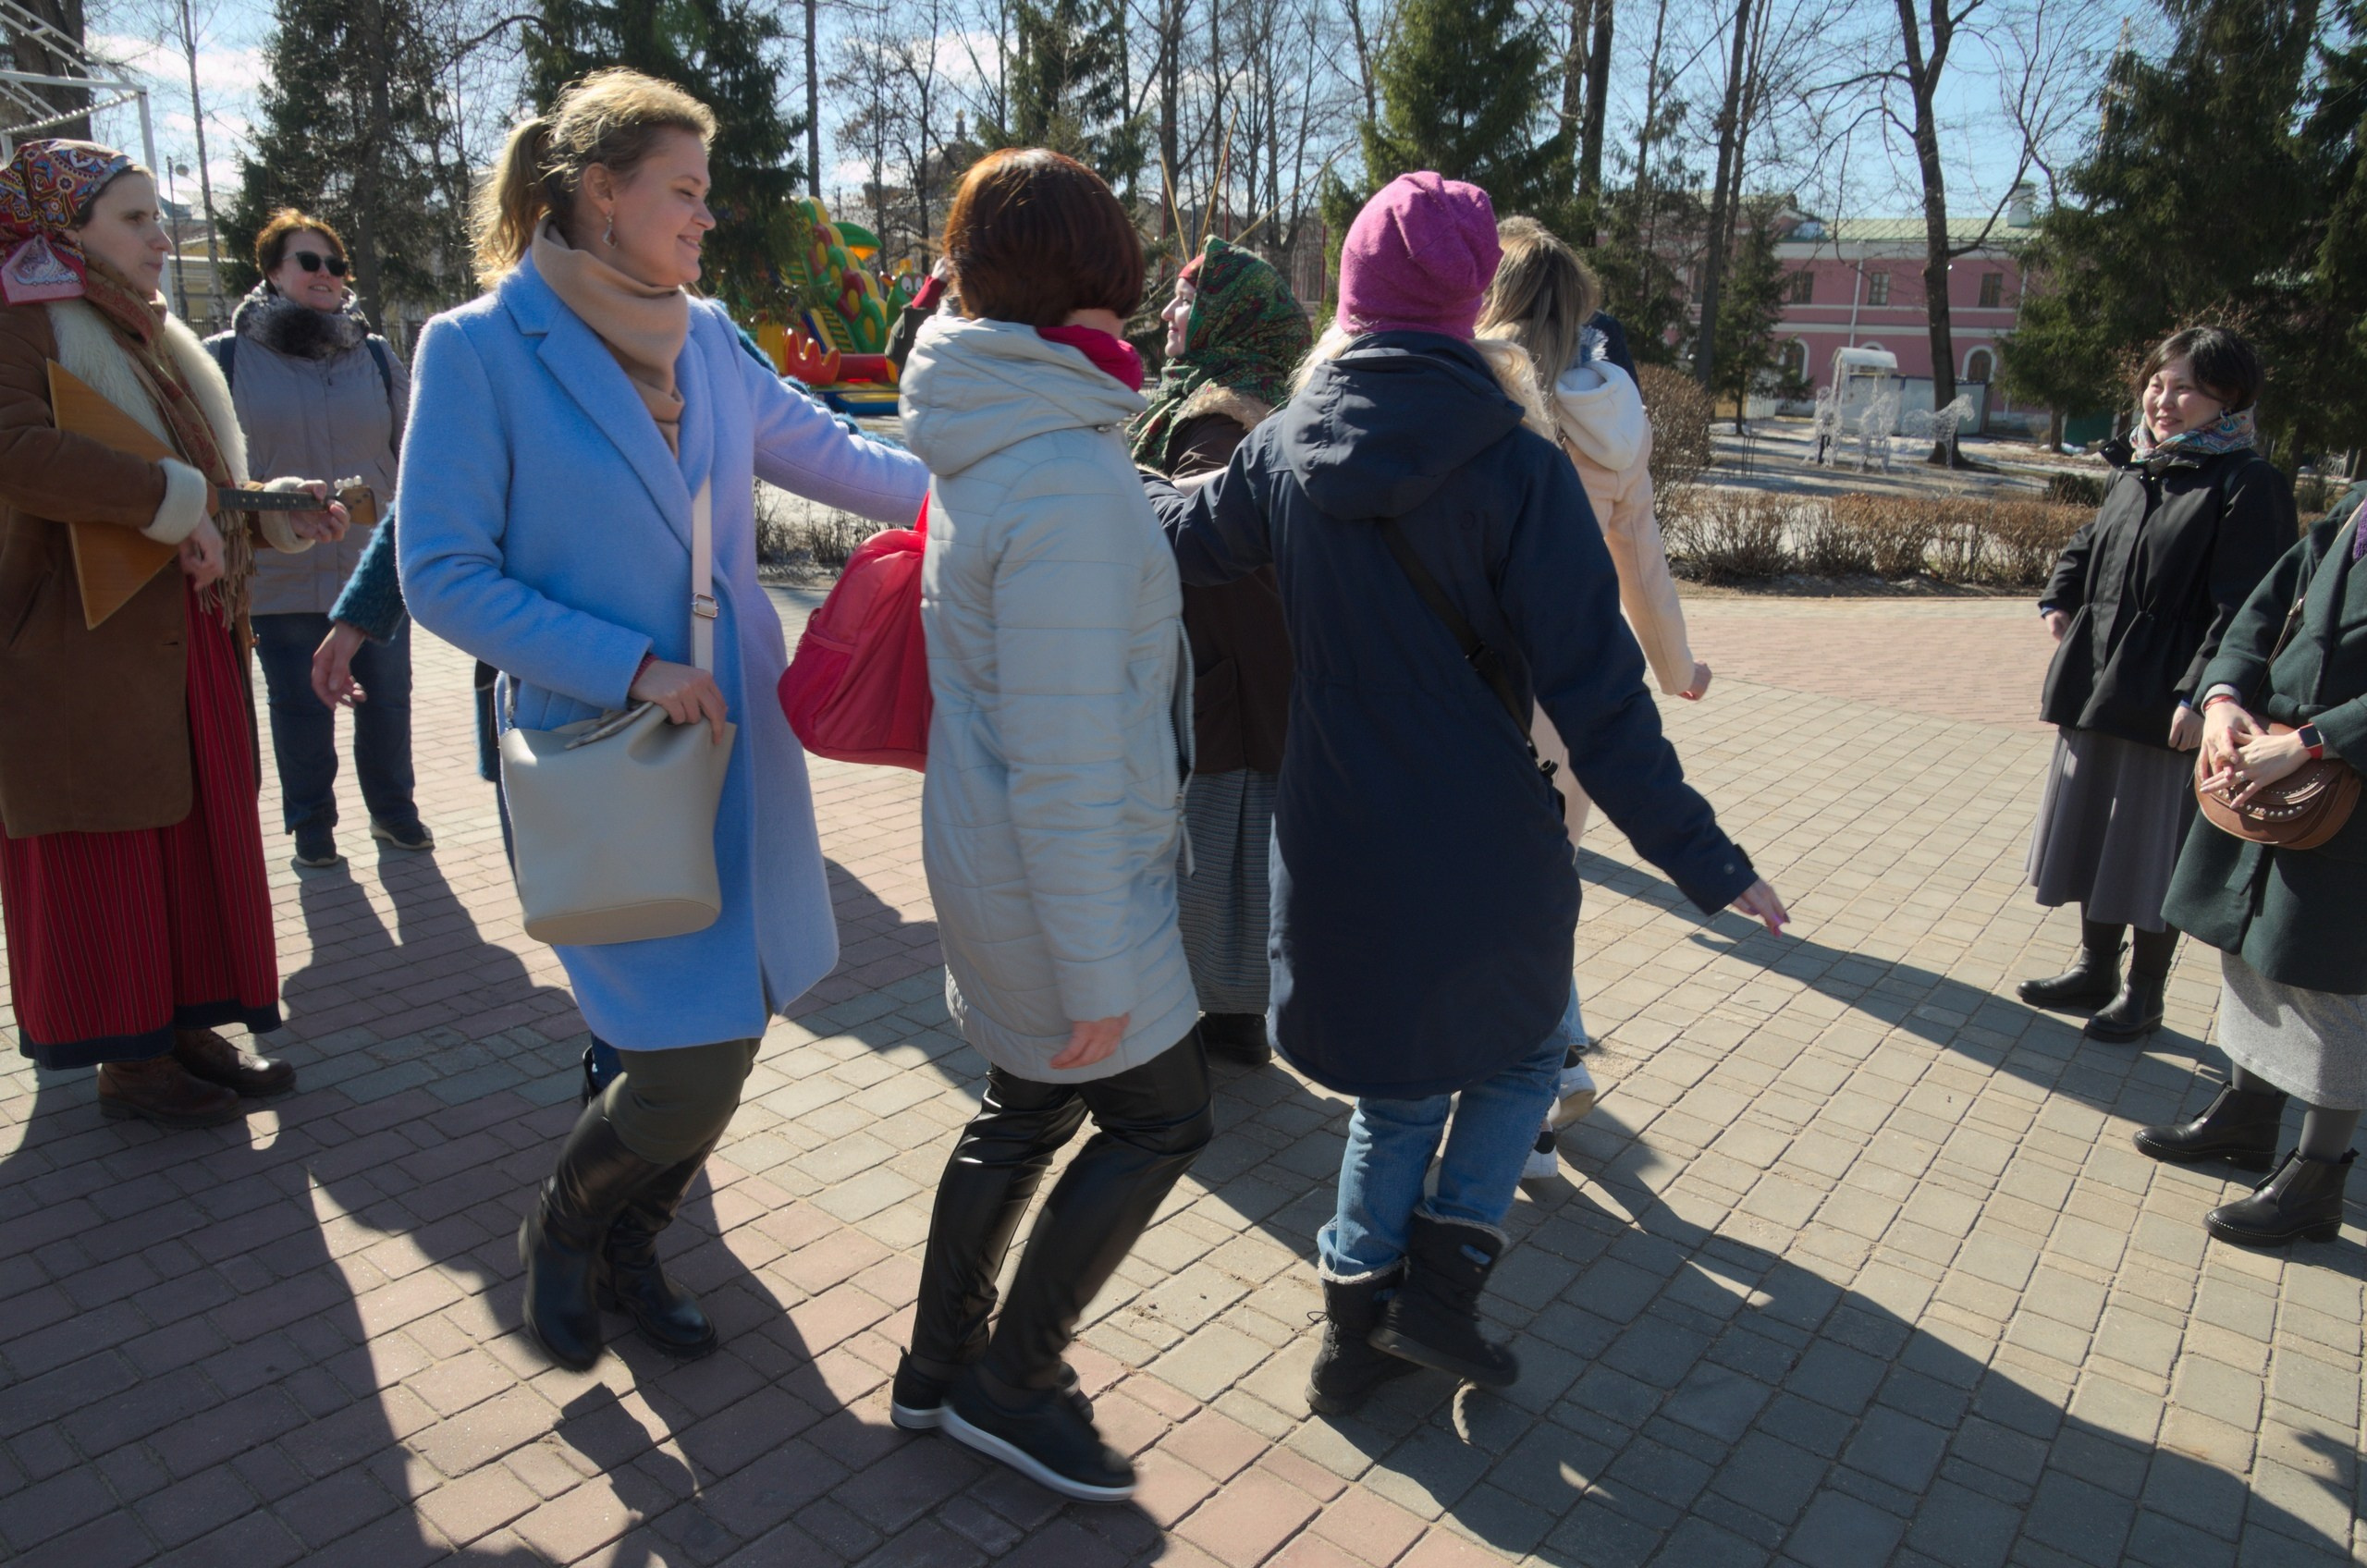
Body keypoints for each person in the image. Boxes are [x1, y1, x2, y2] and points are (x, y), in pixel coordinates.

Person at [1142, 172, 1785, 1415]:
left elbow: (1183, 534)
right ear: (1466, 306)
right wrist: (1707, 859)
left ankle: (1354, 1340)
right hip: (1486, 834)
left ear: (1351, 295)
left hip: (1334, 835)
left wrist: (1067, 459)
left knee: (1394, 1094)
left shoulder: (1283, 447)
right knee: (1526, 1049)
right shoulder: (1520, 467)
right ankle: (1439, 1290)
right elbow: (1599, 701)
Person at [396, 70, 929, 1372]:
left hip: (738, 745)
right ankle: (564, 1230)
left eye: (705, 190)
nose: (705, 214)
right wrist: (627, 666)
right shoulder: (477, 347)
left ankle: (634, 1243)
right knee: (678, 1054)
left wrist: (1015, 489)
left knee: (730, 1027)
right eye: (682, 190)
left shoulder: (706, 336)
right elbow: (440, 572)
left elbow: (842, 458)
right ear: (601, 192)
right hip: (611, 755)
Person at [889, 148, 1212, 1504]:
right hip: (1059, 879)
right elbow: (1068, 758)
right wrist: (1097, 967)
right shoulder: (1066, 477)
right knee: (1162, 1118)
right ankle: (1011, 1383)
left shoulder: (1002, 431)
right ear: (1082, 288)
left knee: (1022, 1109)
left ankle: (936, 1367)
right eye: (1115, 277)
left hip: (999, 854)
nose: (1133, 310)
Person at [0, 141, 347, 1125]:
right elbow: (16, 451)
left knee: (188, 843)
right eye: (135, 219)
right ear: (62, 229)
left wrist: (269, 508)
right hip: (80, 648)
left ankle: (182, 1025)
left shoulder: (141, 328)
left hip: (177, 637)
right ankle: (131, 1059)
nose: (163, 238)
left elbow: (193, 487)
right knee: (109, 856)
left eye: (159, 215)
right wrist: (174, 498)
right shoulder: (19, 320)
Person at [1476, 216, 1713, 1181]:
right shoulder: (1615, 419)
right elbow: (1642, 559)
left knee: (1478, 900)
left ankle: (1534, 1083)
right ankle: (1545, 1079)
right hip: (1576, 690)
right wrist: (1675, 664)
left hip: (1478, 681)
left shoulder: (1474, 402)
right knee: (1541, 891)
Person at [2019, 326, 2293, 1041]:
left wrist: (2203, 694)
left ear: (2229, 400)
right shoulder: (2140, 465)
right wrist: (2060, 595)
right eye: (2156, 384)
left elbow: (2250, 607)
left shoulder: (2247, 482)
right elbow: (2091, 541)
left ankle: (2145, 994)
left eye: (2185, 389)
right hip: (2099, 677)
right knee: (2097, 830)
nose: (2163, 400)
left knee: (2149, 845)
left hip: (2170, 697)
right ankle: (2095, 969)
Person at [2136, 503, 2366, 1244]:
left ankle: (2318, 1178)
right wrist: (2224, 699)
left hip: (2341, 777)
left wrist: (2314, 741)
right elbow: (2261, 613)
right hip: (2275, 761)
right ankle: (2247, 1114)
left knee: (2332, 982)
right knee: (2252, 946)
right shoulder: (2356, 511)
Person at [1129, 236, 1310, 1068]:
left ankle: (1191, 1029)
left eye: (1189, 299)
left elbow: (1205, 535)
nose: (1171, 312)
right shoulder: (1273, 398)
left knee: (1209, 862)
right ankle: (1238, 1019)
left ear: (1229, 317)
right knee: (1248, 859)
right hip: (1261, 674)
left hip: (1218, 678)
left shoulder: (1214, 412)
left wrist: (1133, 486)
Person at [209, 209, 424, 868]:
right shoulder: (227, 358)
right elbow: (214, 475)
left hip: (371, 569)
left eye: (336, 264)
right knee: (300, 707)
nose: (326, 274)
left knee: (387, 700)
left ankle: (395, 814)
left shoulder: (376, 355)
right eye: (309, 262)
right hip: (281, 570)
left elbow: (413, 458)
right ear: (273, 272)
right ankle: (312, 827)